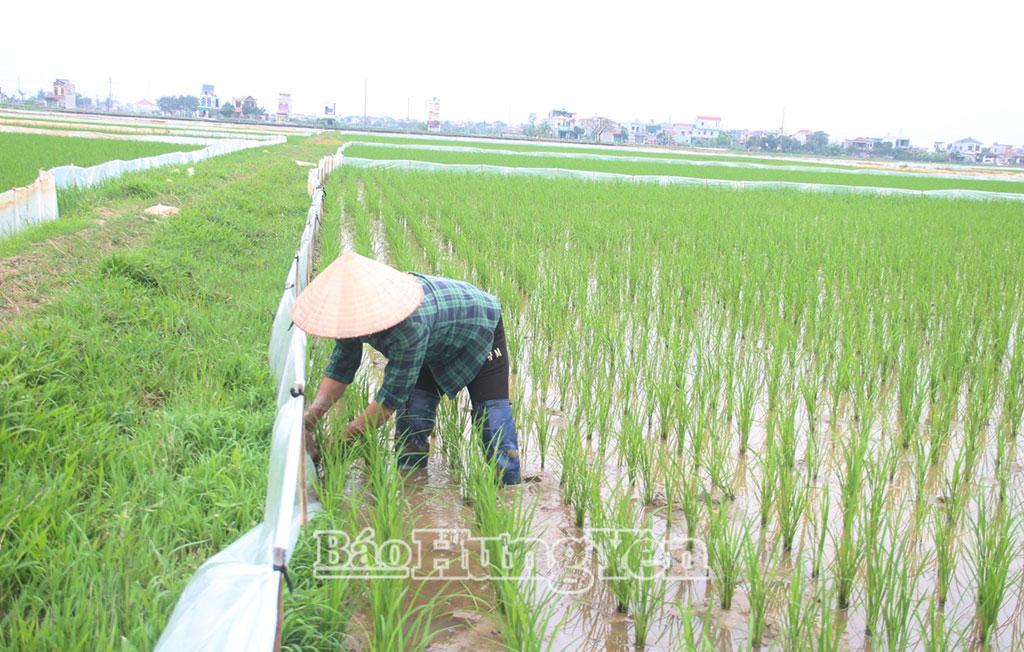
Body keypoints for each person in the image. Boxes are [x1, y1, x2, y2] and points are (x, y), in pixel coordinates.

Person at [291, 251, 521, 485]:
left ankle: (508, 489)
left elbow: (389, 399)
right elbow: (340, 370)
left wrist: (344, 439)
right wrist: (311, 418)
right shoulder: (350, 313)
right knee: (413, 418)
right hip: (432, 339)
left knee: (493, 418)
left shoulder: (408, 324)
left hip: (478, 328)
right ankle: (412, 487)